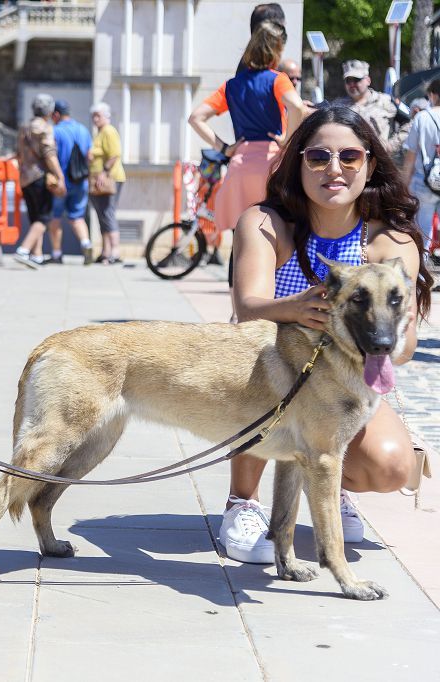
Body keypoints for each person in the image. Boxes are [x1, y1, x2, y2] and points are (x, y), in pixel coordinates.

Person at [223, 104, 432, 564]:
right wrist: (296, 308)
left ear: (370, 164)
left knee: (392, 465)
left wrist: (379, 331)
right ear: (298, 163)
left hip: (344, 378)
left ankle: (328, 486)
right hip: (275, 366)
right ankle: (242, 502)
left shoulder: (390, 242)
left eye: (350, 157)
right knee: (268, 369)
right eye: (318, 157)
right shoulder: (265, 223)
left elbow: (406, 344)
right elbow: (248, 308)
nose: (334, 169)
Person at [189, 21, 307, 239]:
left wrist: (224, 148)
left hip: (240, 166)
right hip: (270, 163)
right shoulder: (277, 79)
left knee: (241, 238)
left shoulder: (231, 85)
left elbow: (196, 118)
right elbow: (297, 106)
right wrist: (286, 139)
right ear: (276, 50)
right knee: (274, 233)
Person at [13, 93, 64, 269]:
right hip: (40, 177)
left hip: (24, 177)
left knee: (35, 216)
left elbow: (18, 153)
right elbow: (49, 155)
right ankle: (24, 250)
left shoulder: (24, 127)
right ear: (49, 111)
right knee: (44, 217)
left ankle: (37, 255)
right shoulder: (45, 128)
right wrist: (60, 176)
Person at [47, 99, 94, 264]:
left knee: (55, 217)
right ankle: (86, 243)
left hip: (60, 183)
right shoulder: (83, 130)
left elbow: (50, 156)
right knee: (77, 217)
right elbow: (90, 156)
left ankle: (57, 253)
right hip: (80, 182)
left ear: (56, 114)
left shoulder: (55, 131)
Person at [335, 60, 408, 160]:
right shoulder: (337, 106)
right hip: (348, 162)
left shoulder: (386, 101)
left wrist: (392, 145)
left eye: (356, 80)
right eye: (348, 81)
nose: (352, 84)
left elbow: (410, 123)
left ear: (368, 80)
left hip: (378, 162)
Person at [401, 78, 440, 249]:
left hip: (423, 181)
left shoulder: (423, 118)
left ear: (432, 95)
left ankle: (422, 272)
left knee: (422, 230)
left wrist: (404, 185)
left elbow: (410, 157)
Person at [87, 102, 126, 264]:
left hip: (109, 178)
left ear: (106, 116)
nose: (95, 119)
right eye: (94, 116)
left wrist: (104, 172)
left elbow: (115, 154)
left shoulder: (109, 131)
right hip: (98, 179)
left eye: (98, 115)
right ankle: (106, 251)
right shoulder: (100, 132)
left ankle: (114, 252)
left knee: (107, 214)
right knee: (102, 215)